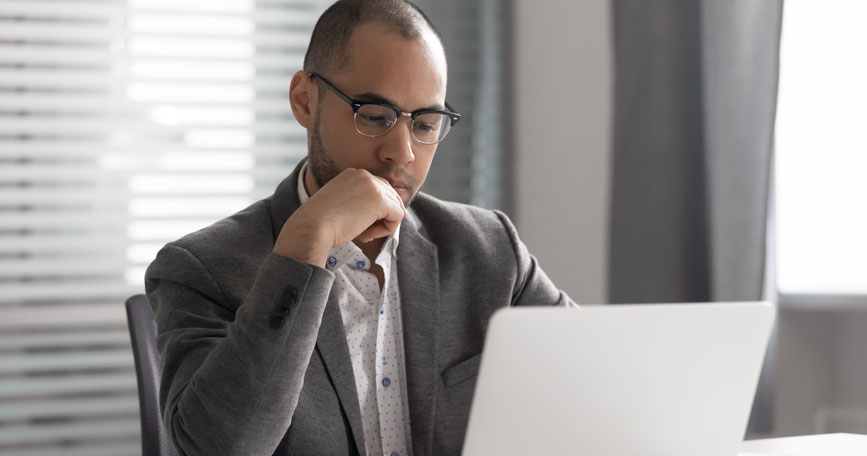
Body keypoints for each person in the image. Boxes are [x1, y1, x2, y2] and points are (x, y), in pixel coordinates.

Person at [145, 1, 576, 455]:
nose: (402, 152)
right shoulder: (201, 269)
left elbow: (596, 381)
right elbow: (220, 448)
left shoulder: (490, 251)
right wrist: (303, 248)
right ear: (304, 101)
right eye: (374, 116)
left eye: (426, 123)